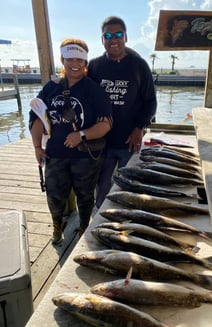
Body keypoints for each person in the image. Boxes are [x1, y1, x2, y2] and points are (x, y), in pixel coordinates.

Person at [29, 38, 113, 244]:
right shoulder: (50, 87)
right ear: (62, 59)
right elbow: (37, 117)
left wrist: (81, 135)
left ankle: (84, 224)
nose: (74, 63)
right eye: (69, 58)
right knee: (54, 194)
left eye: (79, 59)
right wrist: (37, 147)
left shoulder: (93, 89)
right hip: (55, 154)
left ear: (85, 63)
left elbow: (106, 124)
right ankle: (57, 225)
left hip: (86, 157)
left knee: (85, 196)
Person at [88, 16, 157, 209]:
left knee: (130, 187)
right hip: (102, 142)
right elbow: (81, 91)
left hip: (129, 140)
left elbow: (150, 102)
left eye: (118, 34)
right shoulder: (94, 66)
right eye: (107, 35)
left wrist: (140, 127)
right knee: (101, 186)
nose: (113, 39)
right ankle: (100, 219)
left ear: (125, 37)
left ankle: (129, 218)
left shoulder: (139, 65)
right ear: (102, 39)